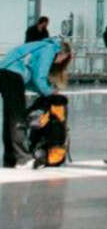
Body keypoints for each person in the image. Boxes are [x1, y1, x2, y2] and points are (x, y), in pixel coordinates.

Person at [0, 38, 72, 167]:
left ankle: (10, 158)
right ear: (62, 53)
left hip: (5, 73)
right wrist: (50, 92)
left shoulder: (41, 46)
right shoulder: (50, 49)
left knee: (9, 118)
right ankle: (23, 159)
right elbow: (40, 77)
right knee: (18, 118)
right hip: (12, 75)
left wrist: (44, 90)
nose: (59, 63)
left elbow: (32, 81)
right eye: (63, 59)